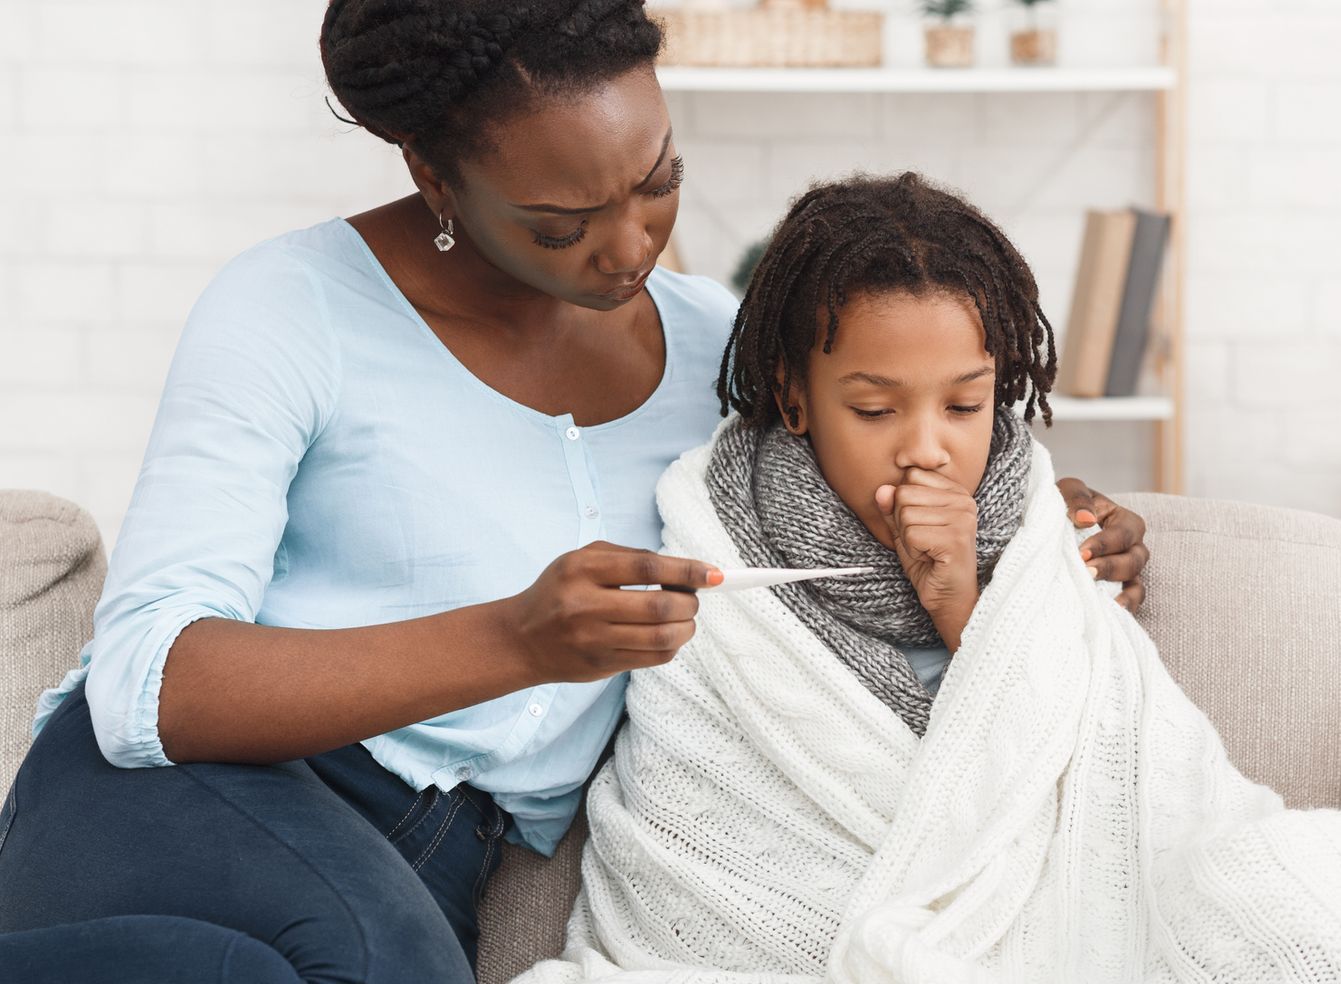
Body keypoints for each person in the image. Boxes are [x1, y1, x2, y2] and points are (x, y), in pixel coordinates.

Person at [0, 3, 1149, 982]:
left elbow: (879, 477)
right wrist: (514, 637)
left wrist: (1036, 518)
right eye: (560, 225)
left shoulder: (726, 352)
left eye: (658, 183)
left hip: (436, 856)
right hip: (187, 798)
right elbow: (148, 682)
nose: (628, 248)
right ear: (432, 174)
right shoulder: (290, 308)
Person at [516, 173, 1341, 984]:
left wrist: (957, 601)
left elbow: (1106, 782)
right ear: (793, 397)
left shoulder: (1043, 531)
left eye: (964, 405)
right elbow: (704, 820)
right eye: (873, 409)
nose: (927, 445)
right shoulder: (712, 539)